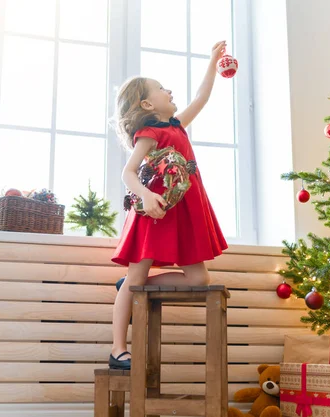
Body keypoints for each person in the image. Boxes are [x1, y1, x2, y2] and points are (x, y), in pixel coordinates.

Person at [109, 41, 229, 370]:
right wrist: (146, 196)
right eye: (162, 89)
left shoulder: (176, 125)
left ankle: (136, 286)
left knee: (198, 280)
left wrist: (211, 62)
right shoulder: (150, 132)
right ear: (148, 103)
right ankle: (118, 349)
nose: (169, 90)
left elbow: (201, 98)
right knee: (135, 275)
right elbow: (128, 172)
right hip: (154, 213)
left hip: (183, 210)